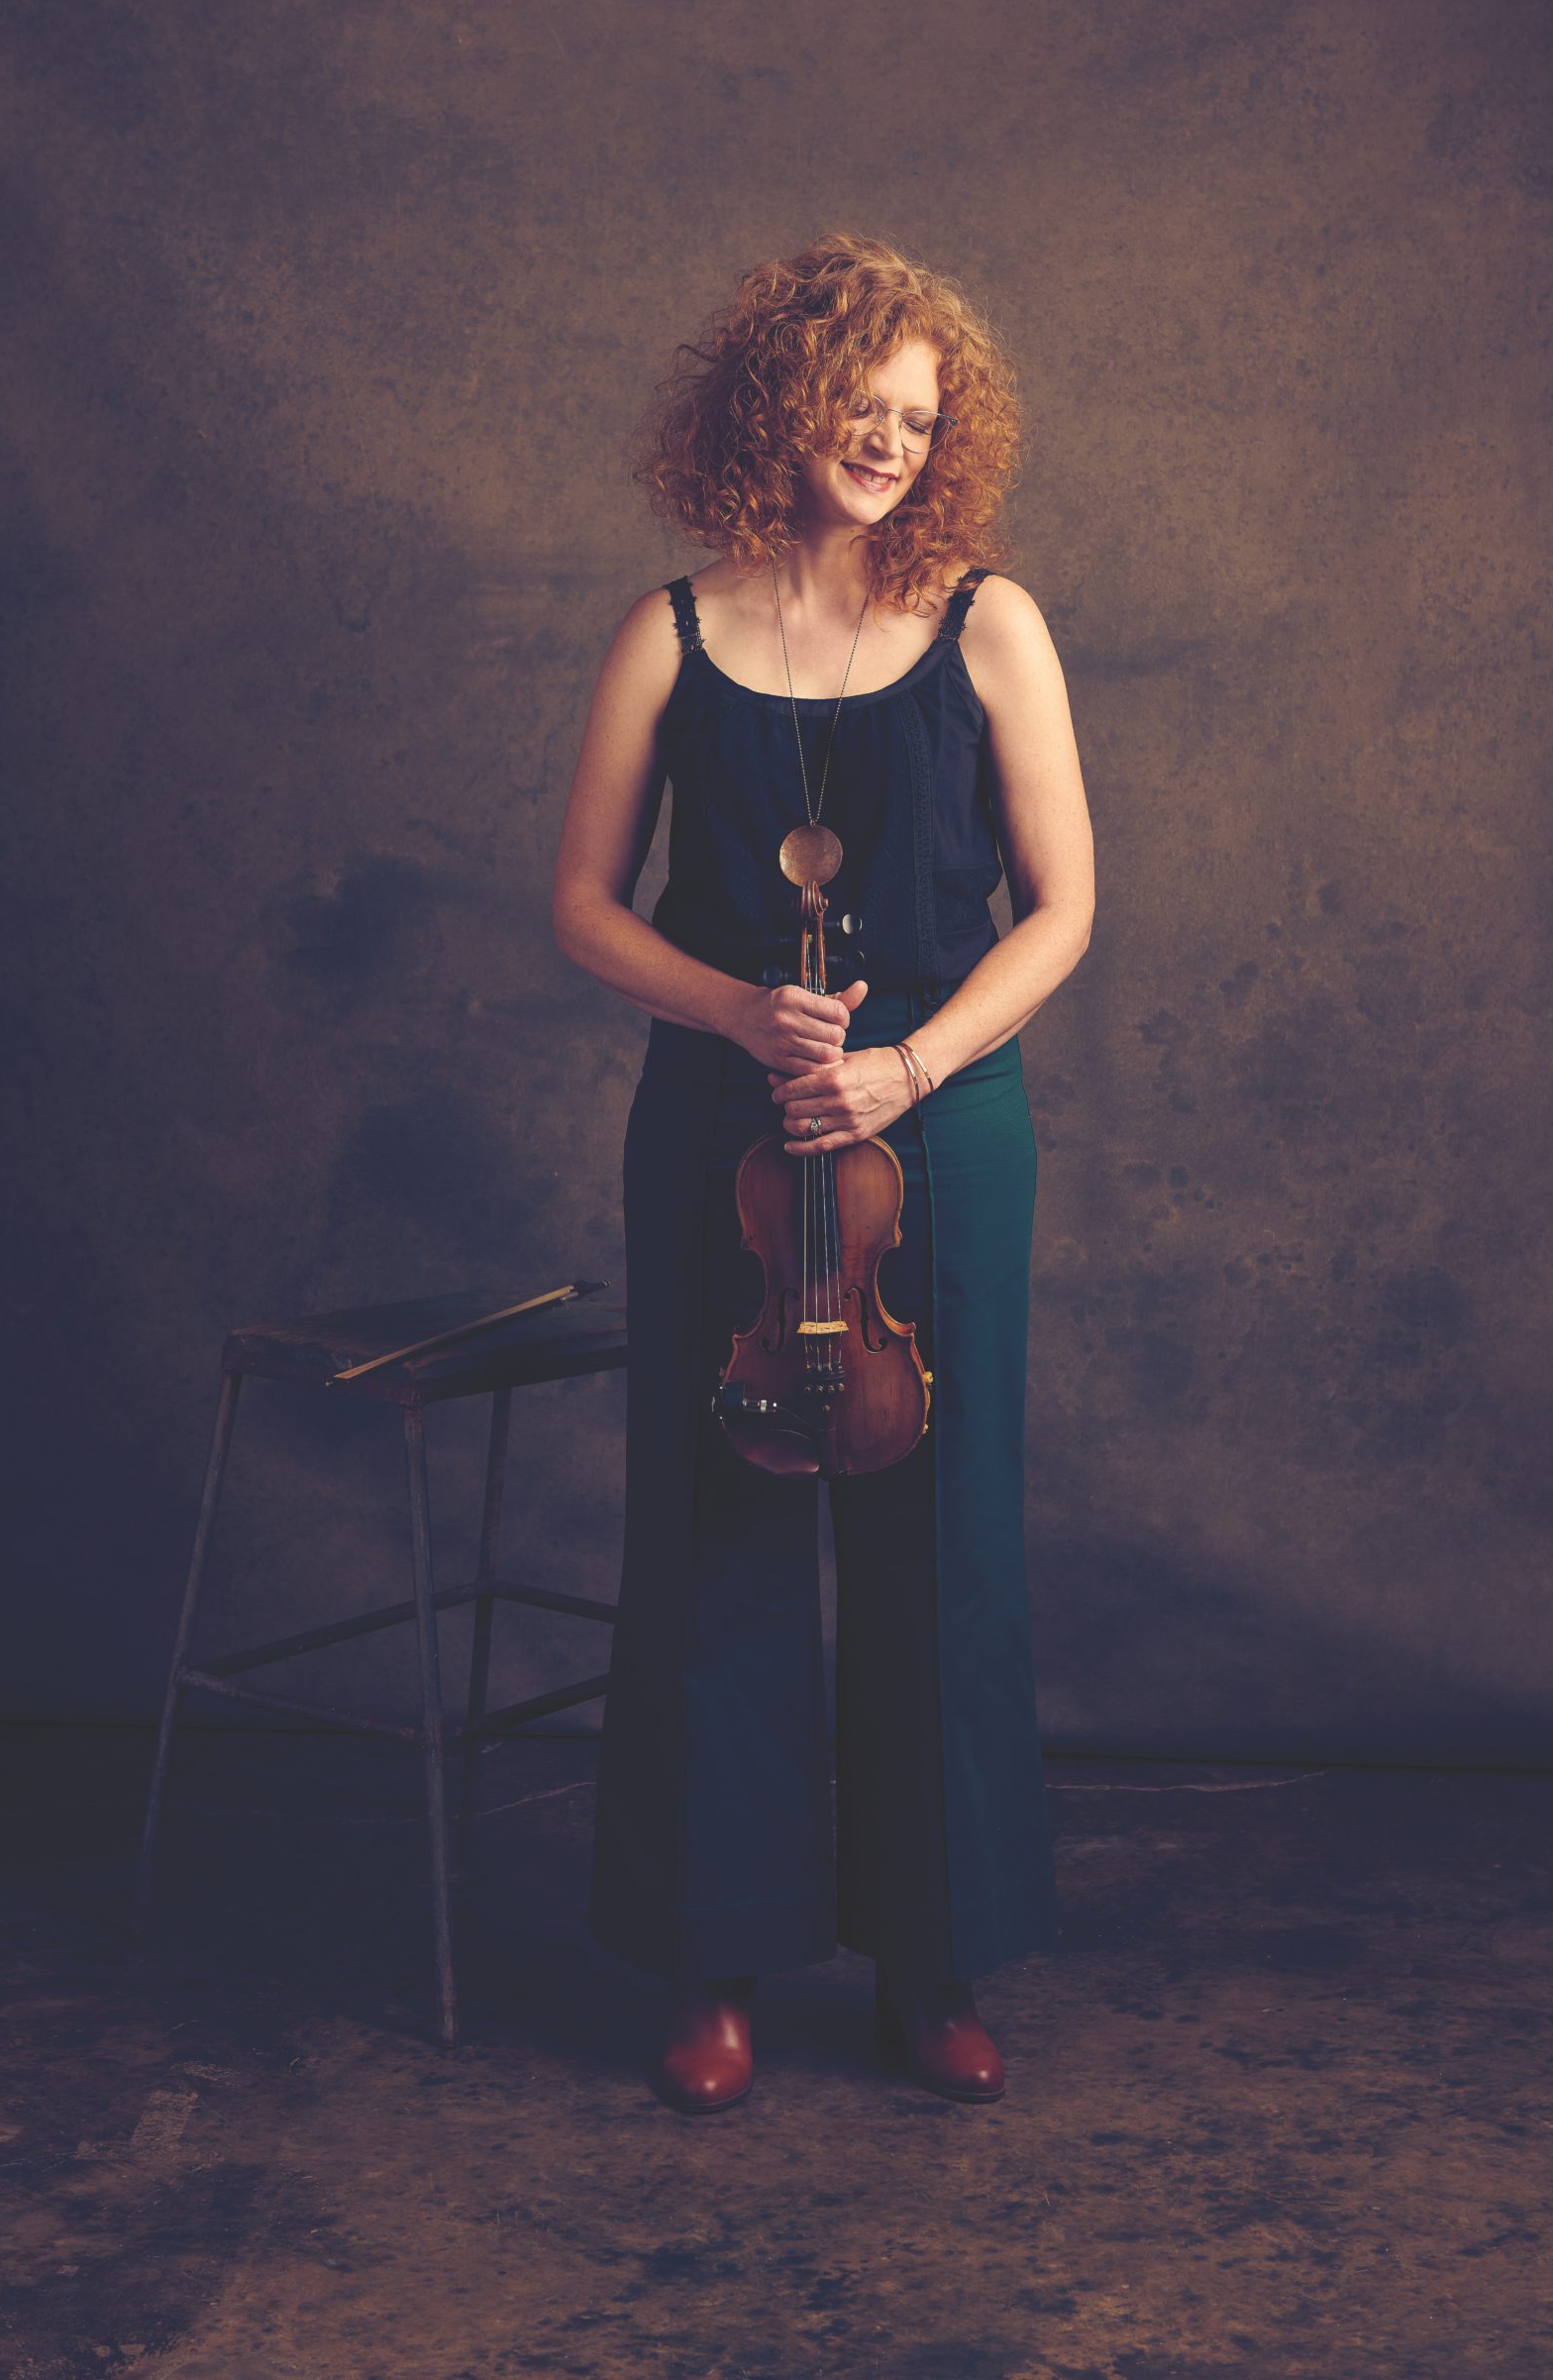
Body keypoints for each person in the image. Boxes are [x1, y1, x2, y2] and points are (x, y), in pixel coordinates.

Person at [551, 230, 1094, 2112]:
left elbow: (1069, 909)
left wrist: (909, 1065)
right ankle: (716, 1965)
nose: (885, 443)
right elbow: (579, 907)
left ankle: (931, 1962)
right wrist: (731, 1009)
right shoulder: (671, 629)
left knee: (942, 1535)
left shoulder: (990, 622)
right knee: (716, 1523)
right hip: (725, 1118)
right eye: (856, 408)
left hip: (942, 1122)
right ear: (779, 405)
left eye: (915, 419)